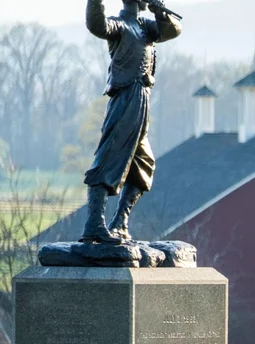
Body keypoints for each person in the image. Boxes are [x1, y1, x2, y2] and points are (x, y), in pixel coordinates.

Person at [81, 0, 181, 243]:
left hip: (142, 100)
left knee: (143, 163)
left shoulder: (146, 27)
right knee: (110, 156)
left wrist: (160, 11)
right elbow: (97, 25)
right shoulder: (120, 25)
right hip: (125, 97)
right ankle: (94, 224)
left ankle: (120, 222)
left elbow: (173, 30)